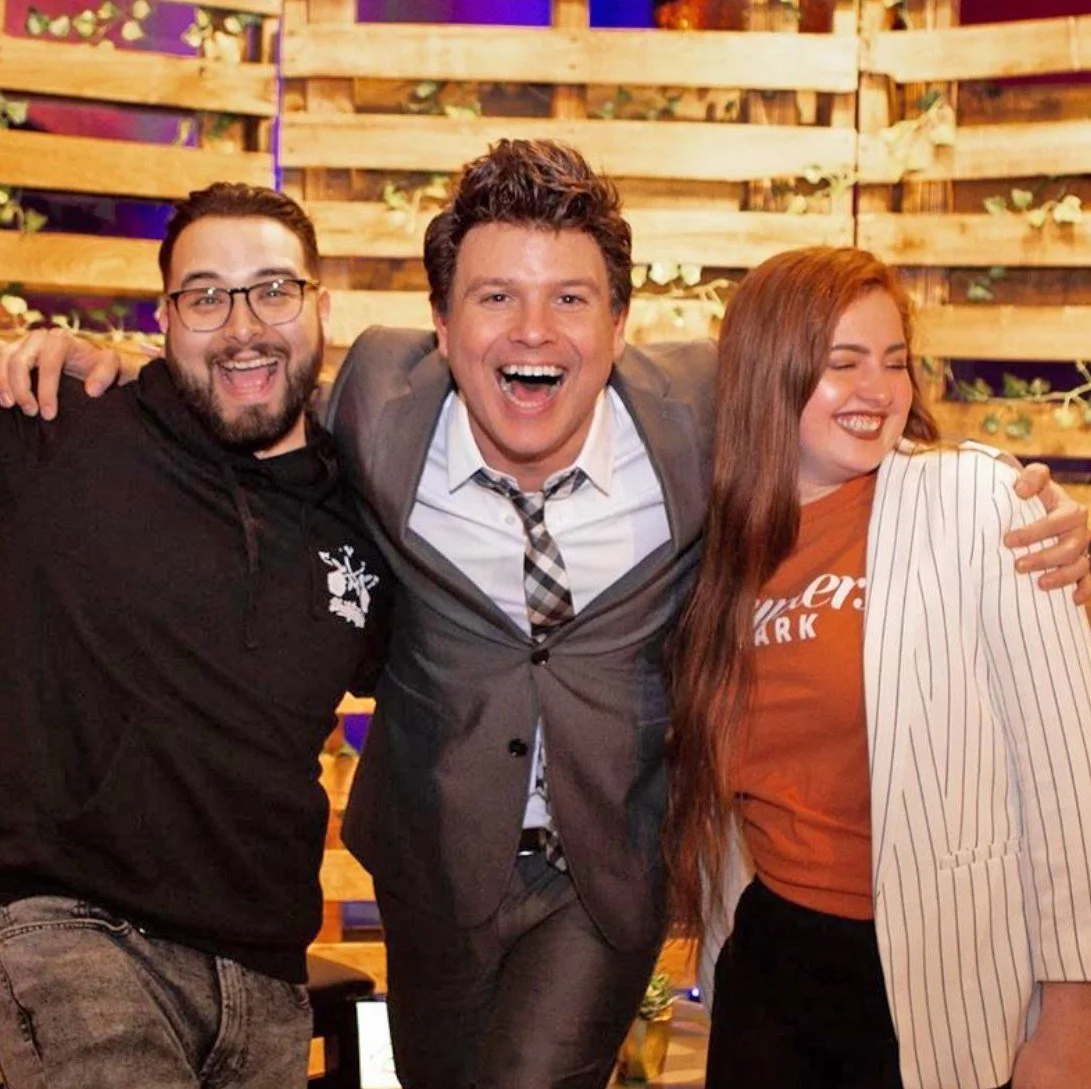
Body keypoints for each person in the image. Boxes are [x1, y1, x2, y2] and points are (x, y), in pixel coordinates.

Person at [2, 143, 1089, 1089]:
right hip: (432, 860)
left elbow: (842, 428)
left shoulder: (701, 413)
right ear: (436, 323)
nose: (534, 329)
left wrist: (1019, 504)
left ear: (619, 322)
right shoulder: (375, 402)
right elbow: (241, 381)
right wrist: (99, 368)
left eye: (570, 297)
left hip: (603, 862)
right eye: (493, 297)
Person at [668, 246, 1091, 1089]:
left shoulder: (979, 504)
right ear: (768, 372)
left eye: (893, 361)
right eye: (842, 362)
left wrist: (1072, 1023)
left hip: (943, 987)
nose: (878, 390)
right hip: (770, 968)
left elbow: (1067, 778)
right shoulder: (712, 545)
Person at [0, 183, 392, 1089]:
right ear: (167, 317)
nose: (243, 324)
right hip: (74, 934)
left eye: (273, 290)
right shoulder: (64, 424)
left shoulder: (361, 524)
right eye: (206, 295)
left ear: (320, 305)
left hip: (266, 974)